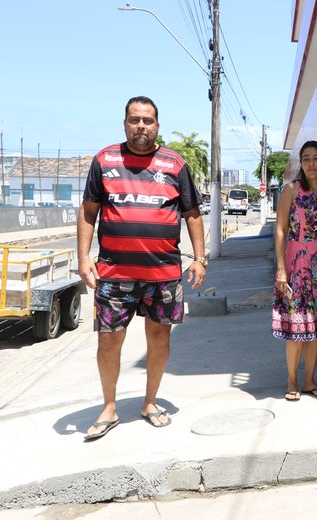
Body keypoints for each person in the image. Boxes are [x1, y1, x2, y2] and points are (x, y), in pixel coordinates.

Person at [77, 96, 207, 441]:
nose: (141, 127)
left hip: (163, 274)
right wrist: (83, 258)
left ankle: (150, 402)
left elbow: (192, 213)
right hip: (114, 274)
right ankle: (109, 408)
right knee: (108, 341)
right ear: (124, 124)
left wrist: (200, 257)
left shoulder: (174, 164)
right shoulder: (104, 161)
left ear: (157, 126)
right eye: (134, 120)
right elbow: (89, 212)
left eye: (147, 121)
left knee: (160, 338)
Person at [272, 140, 317, 401]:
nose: (311, 163)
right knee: (296, 325)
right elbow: (280, 229)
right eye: (306, 159)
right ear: (301, 164)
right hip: (295, 263)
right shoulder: (291, 190)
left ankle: (310, 380)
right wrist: (280, 268)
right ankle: (291, 381)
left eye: (316, 158)